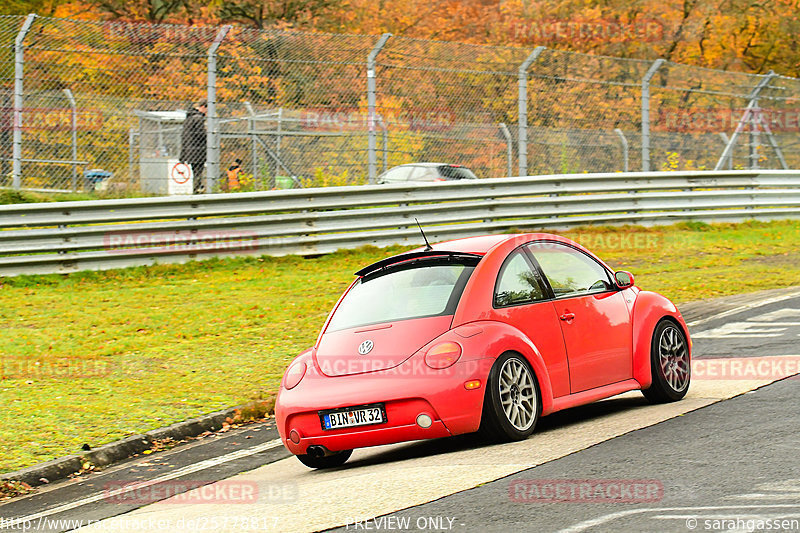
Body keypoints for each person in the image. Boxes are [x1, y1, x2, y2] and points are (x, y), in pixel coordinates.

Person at [180, 100, 207, 194]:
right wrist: (210, 135)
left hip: (189, 149)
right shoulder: (198, 118)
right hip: (198, 149)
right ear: (203, 107)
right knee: (199, 171)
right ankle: (197, 189)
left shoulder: (188, 118)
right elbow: (201, 134)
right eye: (206, 110)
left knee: (195, 171)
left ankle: (198, 188)